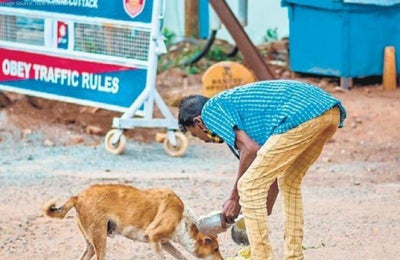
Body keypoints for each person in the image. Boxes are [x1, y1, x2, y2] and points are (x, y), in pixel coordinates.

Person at [178, 80, 346, 260]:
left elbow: (250, 149)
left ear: (199, 122)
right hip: (328, 113)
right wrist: (255, 212)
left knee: (248, 186)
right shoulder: (240, 117)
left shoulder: (211, 110)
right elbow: (268, 170)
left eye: (196, 134)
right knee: (289, 181)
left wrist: (235, 199)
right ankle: (294, 256)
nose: (203, 140)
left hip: (304, 114)